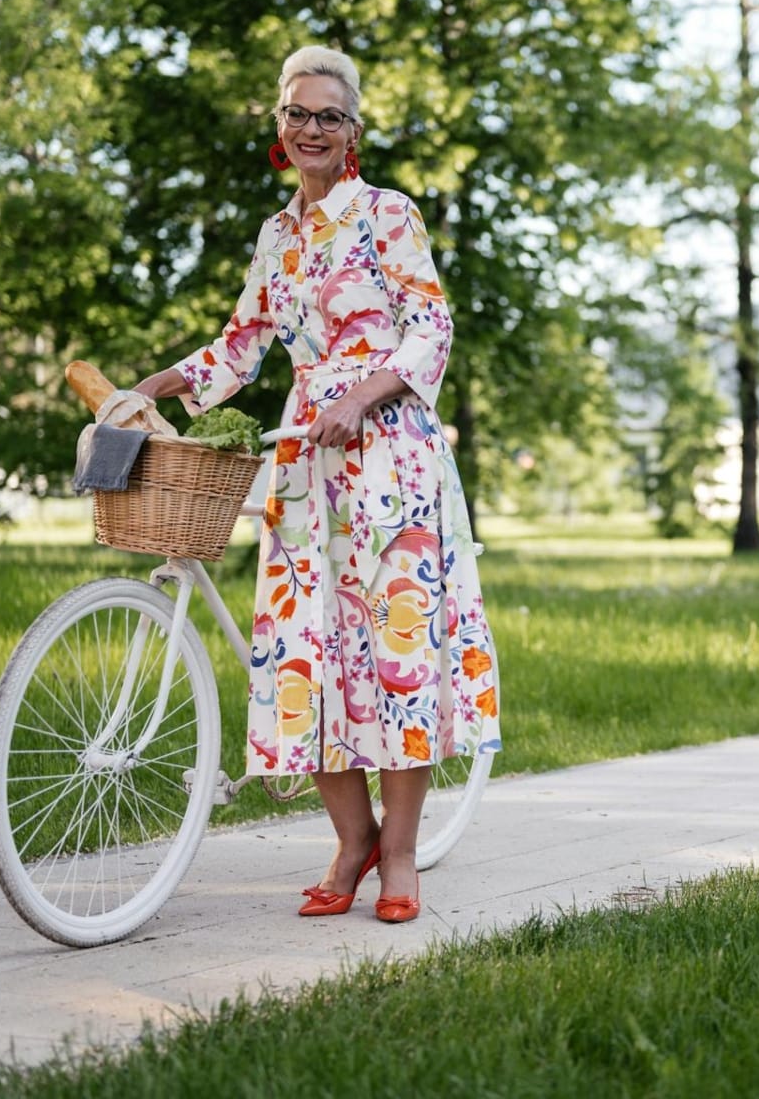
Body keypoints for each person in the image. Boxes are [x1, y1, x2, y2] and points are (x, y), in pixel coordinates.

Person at [133, 45, 501, 923]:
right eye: (297, 113)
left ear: (354, 132)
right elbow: (239, 348)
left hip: (390, 455)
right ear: (278, 124)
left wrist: (364, 395)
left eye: (328, 116)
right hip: (304, 465)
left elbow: (431, 325)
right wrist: (149, 388)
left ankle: (401, 856)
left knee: (395, 650)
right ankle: (352, 838)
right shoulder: (277, 237)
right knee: (309, 651)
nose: (310, 129)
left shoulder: (388, 214)